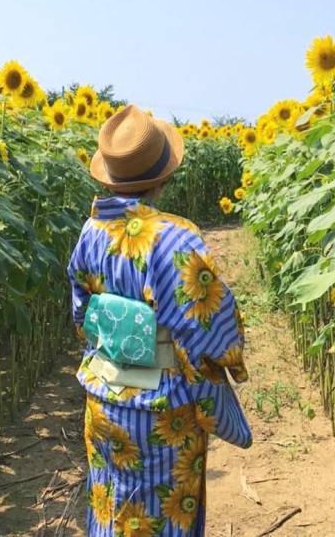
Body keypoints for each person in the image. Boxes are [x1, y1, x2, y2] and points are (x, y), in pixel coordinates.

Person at [67, 104, 252, 537]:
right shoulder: (176, 237)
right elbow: (211, 324)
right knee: (162, 516)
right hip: (159, 410)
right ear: (163, 176)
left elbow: (82, 315)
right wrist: (229, 359)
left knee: (111, 506)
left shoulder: (91, 231)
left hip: (101, 394)